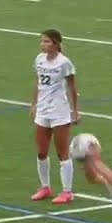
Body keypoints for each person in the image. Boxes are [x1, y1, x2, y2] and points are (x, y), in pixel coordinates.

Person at [30, 29, 80, 204]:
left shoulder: (64, 63)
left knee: (62, 152)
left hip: (59, 111)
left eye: (46, 41)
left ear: (56, 44)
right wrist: (34, 104)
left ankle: (67, 191)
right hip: (43, 111)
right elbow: (38, 82)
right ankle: (45, 187)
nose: (43, 44)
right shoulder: (39, 59)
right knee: (41, 151)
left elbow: (72, 87)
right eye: (42, 41)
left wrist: (75, 111)